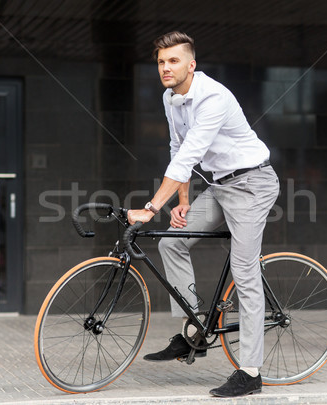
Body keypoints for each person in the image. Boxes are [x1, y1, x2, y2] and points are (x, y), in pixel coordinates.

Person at [127, 31, 280, 397]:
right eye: (161, 62)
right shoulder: (171, 98)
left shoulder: (213, 97)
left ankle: (251, 371)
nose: (166, 67)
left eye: (174, 60)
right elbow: (177, 147)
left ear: (191, 64)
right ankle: (194, 332)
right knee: (171, 243)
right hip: (220, 185)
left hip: (252, 184)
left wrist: (151, 208)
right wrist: (181, 200)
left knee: (244, 272)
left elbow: (189, 154)